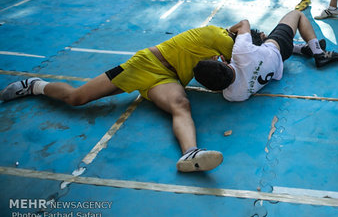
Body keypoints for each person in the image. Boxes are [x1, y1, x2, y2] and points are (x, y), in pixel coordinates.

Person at [1, 25, 237, 172]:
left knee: (181, 104)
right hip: (144, 64)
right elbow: (244, 60)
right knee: (77, 98)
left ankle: (190, 153)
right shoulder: (222, 38)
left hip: (167, 79)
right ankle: (34, 86)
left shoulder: (225, 44)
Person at [194, 11, 338, 102]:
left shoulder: (232, 96)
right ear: (224, 64)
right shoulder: (241, 53)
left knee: (258, 43)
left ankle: (301, 50)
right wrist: (227, 31)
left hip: (275, 68)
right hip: (277, 49)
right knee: (296, 15)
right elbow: (244, 23)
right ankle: (319, 53)